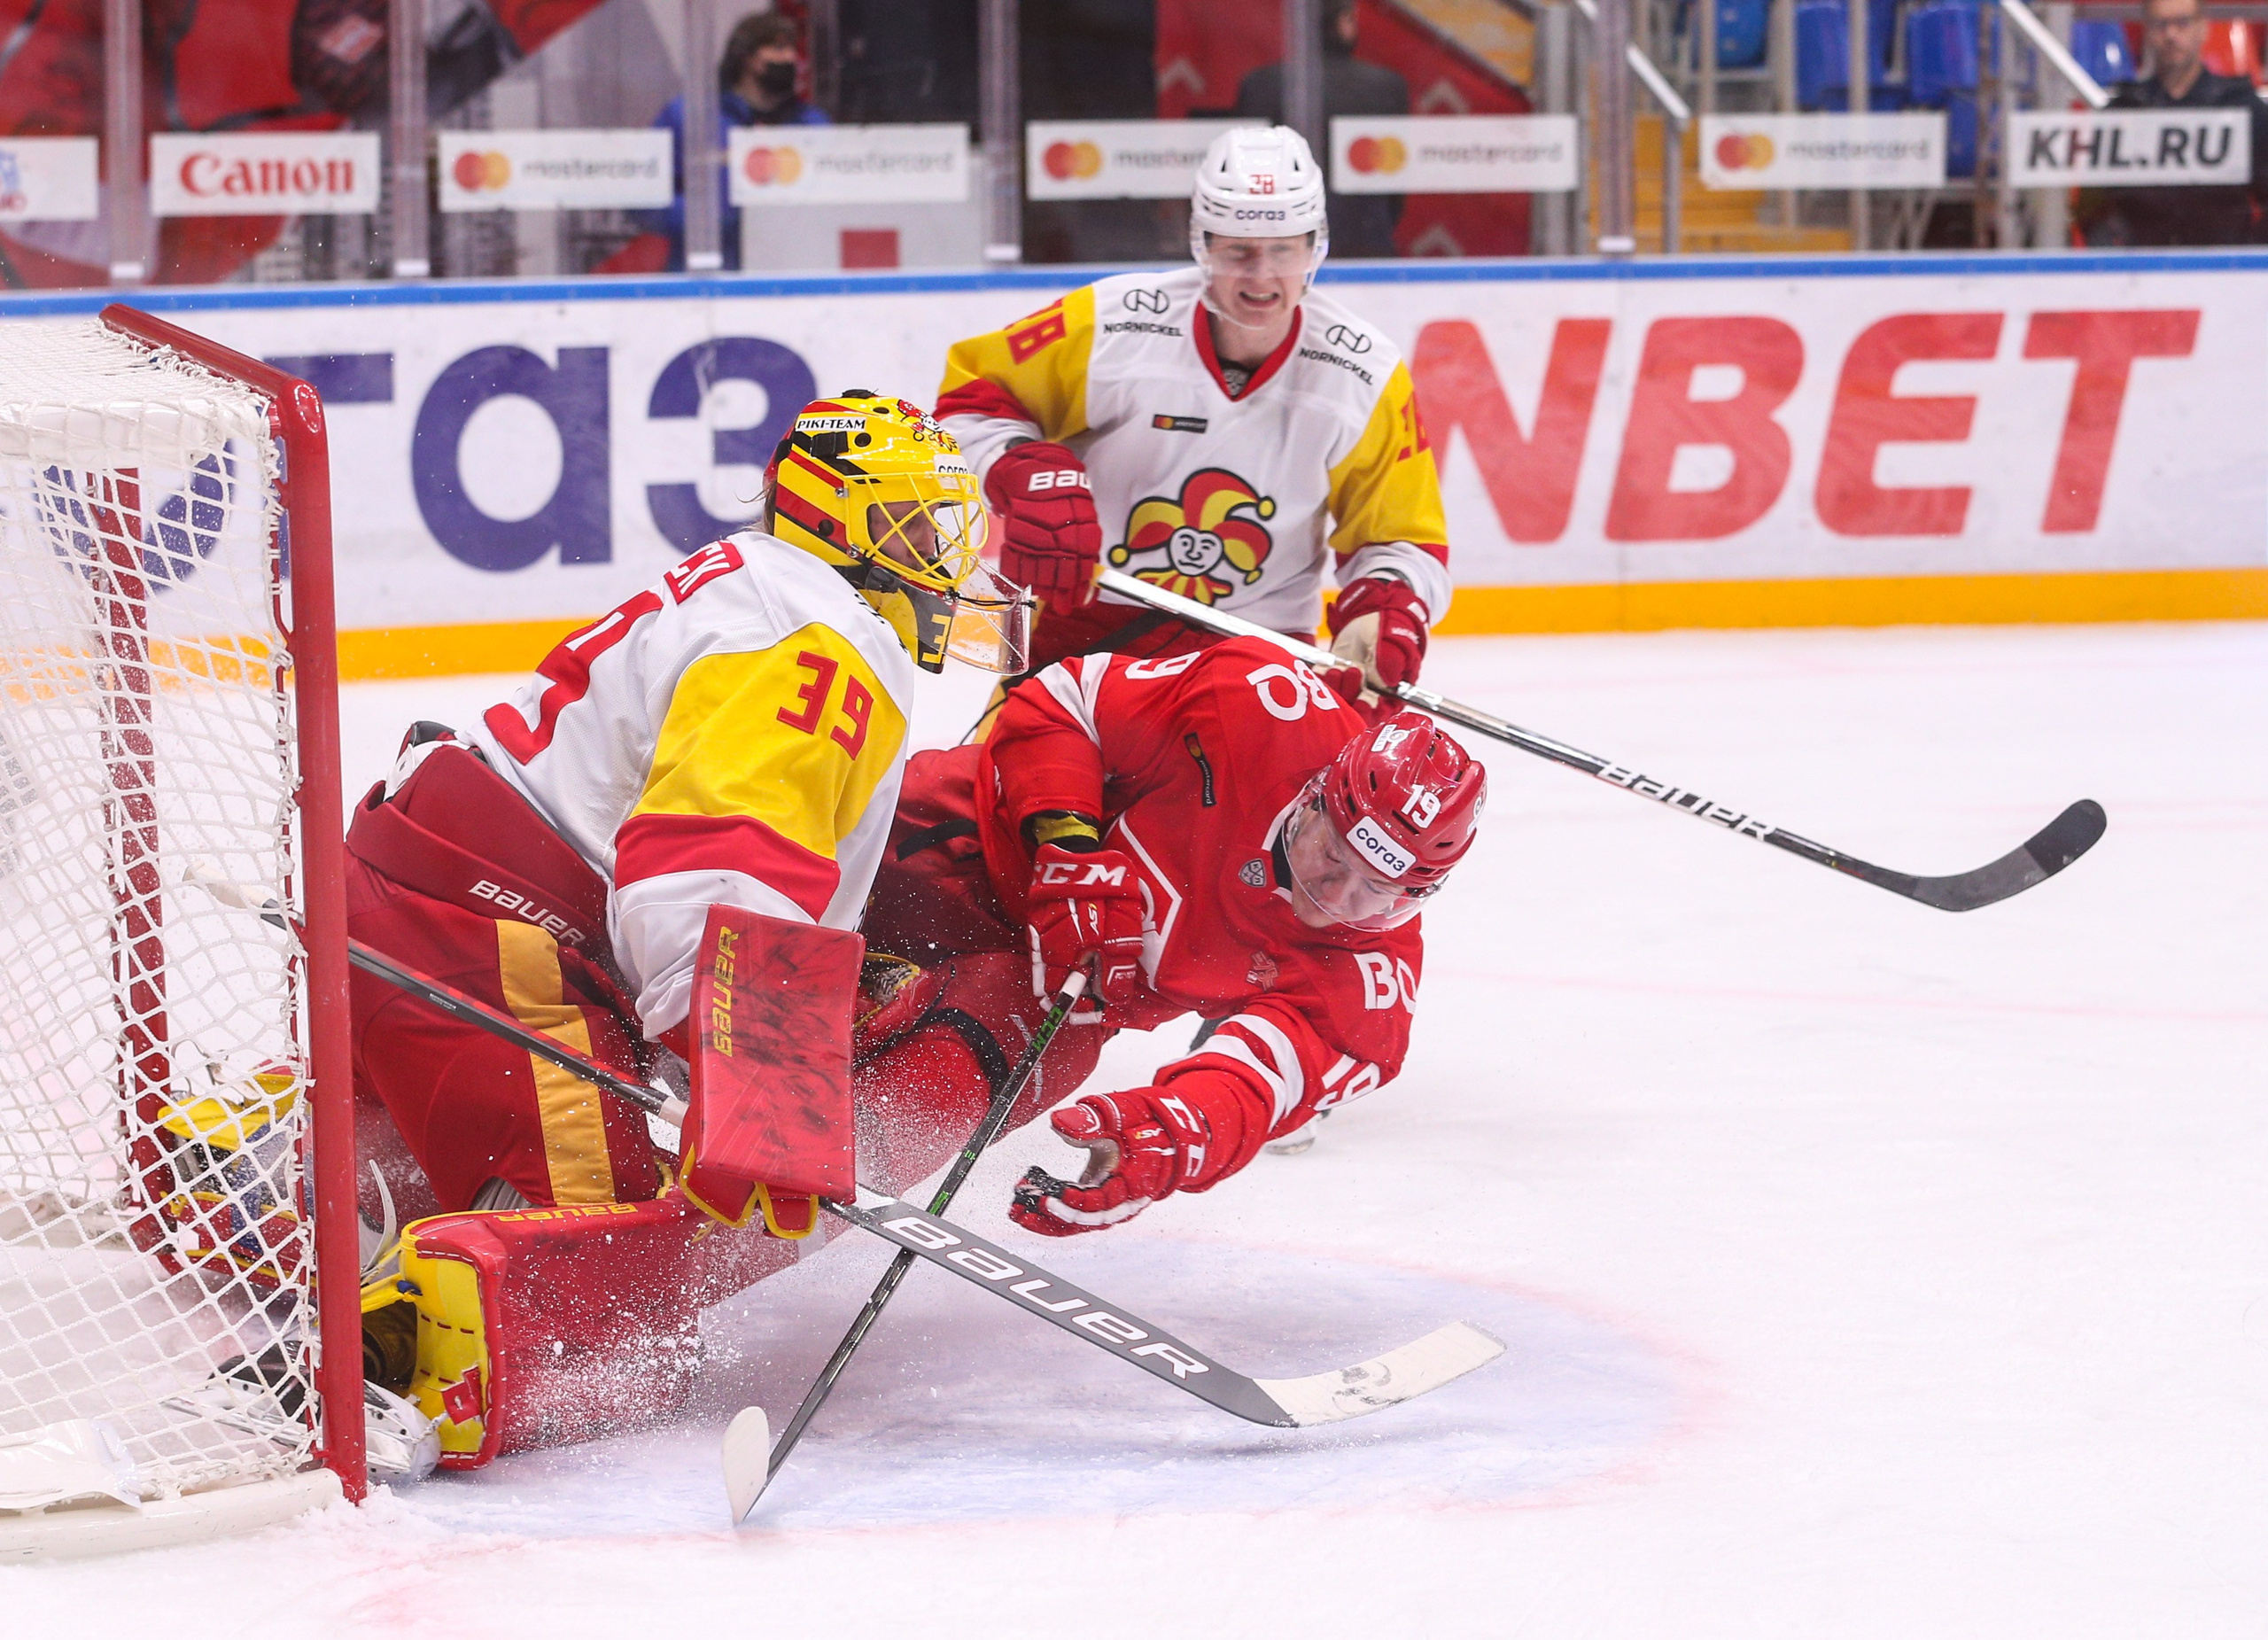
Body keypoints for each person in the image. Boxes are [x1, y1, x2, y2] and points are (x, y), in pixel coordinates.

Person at [338, 393, 1030, 1468]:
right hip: (497, 947)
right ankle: (359, 1375)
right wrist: (764, 1087)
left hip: (413, 896)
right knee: (601, 1318)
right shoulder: (818, 638)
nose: (944, 560)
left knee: (389, 1176)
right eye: (919, 527)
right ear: (844, 520)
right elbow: (715, 858)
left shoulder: (762, 589)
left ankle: (256, 1167)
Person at [849, 637, 1487, 1234]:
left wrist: (1167, 1136)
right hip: (956, 839)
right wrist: (1067, 852)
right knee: (784, 890)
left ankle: (817, 1181)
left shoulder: (1371, 981)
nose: (1337, 895)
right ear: (1315, 798)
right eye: (1334, 854)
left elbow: (1252, 1082)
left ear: (1418, 895)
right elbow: (1063, 700)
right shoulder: (1259, 703)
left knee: (1009, 1061)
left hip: (1045, 995)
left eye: (1376, 891)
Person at [935, 123, 1451, 703]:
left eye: (1283, 250)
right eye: (1239, 251)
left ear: (1315, 246)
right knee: (1002, 790)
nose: (1261, 276)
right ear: (1203, 243)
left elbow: (1403, 537)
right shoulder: (1112, 322)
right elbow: (972, 400)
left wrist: (1390, 601)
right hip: (1087, 636)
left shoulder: (1365, 374)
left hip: (1260, 658)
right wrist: (1019, 472)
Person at [649, 11, 830, 271]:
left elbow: (830, 200)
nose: (790, 58)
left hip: (791, 269)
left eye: (792, 49)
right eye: (778, 48)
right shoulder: (691, 118)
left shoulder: (812, 125)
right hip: (707, 274)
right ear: (747, 58)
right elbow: (648, 199)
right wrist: (715, 217)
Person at [2078, 0, 2268, 246]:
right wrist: (2116, 261)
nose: (2171, 35)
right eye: (2161, 24)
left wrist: (2246, 258)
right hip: (2137, 272)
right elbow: (2091, 208)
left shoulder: (2240, 108)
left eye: (2182, 23)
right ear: (2147, 30)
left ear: (2203, 27)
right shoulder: (2124, 113)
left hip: (2222, 272)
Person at [1233, 0, 1412, 259]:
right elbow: (1394, 187)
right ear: (1344, 22)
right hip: (1364, 244)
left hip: (1280, 245)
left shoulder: (1259, 85)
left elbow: (1246, 176)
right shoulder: (1387, 86)